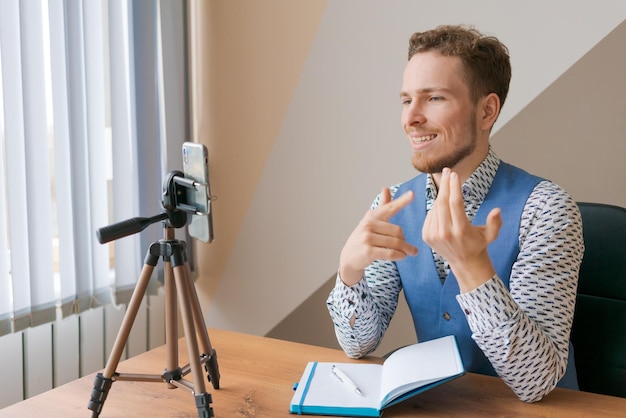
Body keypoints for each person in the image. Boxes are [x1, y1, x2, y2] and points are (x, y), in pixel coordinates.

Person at [326, 24, 584, 403]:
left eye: (433, 98)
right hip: (441, 406)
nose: (410, 118)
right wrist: (348, 273)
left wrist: (472, 267)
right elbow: (357, 345)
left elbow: (537, 381)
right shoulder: (394, 205)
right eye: (406, 100)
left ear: (487, 110)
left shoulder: (547, 210)